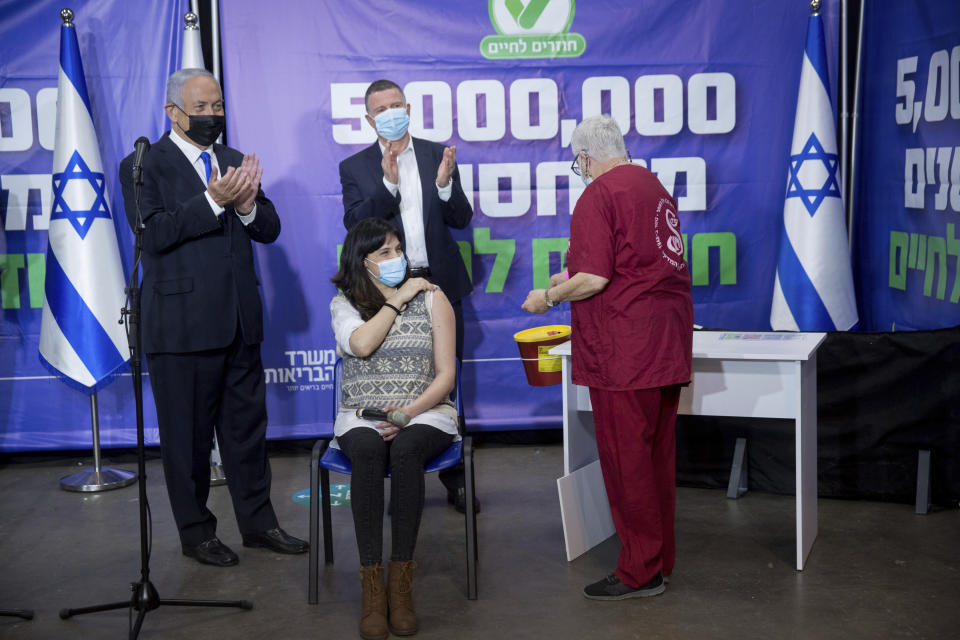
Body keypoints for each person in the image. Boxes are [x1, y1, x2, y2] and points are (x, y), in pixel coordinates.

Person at [118, 68, 307, 567]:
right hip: (180, 329)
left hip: (240, 323)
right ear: (172, 113)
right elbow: (153, 236)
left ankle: (259, 524)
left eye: (217, 106)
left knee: (247, 433)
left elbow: (268, 228)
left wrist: (245, 206)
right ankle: (197, 533)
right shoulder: (142, 166)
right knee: (188, 441)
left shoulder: (230, 159)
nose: (211, 116)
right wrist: (211, 201)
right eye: (200, 108)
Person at [521, 115, 693, 600]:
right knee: (657, 458)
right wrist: (567, 279)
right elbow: (623, 264)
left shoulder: (597, 194)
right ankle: (660, 562)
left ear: (584, 157)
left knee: (626, 460)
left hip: (625, 354)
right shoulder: (653, 187)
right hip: (665, 343)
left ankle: (640, 572)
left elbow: (595, 279)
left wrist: (548, 298)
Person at [339, 78, 478, 514]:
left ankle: (456, 482)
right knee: (395, 375)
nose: (391, 113)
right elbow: (354, 227)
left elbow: (461, 217)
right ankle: (385, 473)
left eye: (397, 105)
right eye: (381, 109)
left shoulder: (438, 154)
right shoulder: (356, 167)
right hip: (385, 288)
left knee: (447, 377)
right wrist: (387, 183)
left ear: (409, 108)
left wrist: (443, 186)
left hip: (438, 284)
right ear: (369, 119)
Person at [330, 218, 459, 640]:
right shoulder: (345, 303)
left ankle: (400, 586)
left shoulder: (434, 297)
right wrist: (397, 300)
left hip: (426, 412)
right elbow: (362, 345)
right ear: (361, 262)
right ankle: (372, 588)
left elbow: (446, 376)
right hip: (360, 414)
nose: (396, 259)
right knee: (368, 452)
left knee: (405, 452)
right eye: (384, 253)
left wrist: (407, 413)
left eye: (398, 249)